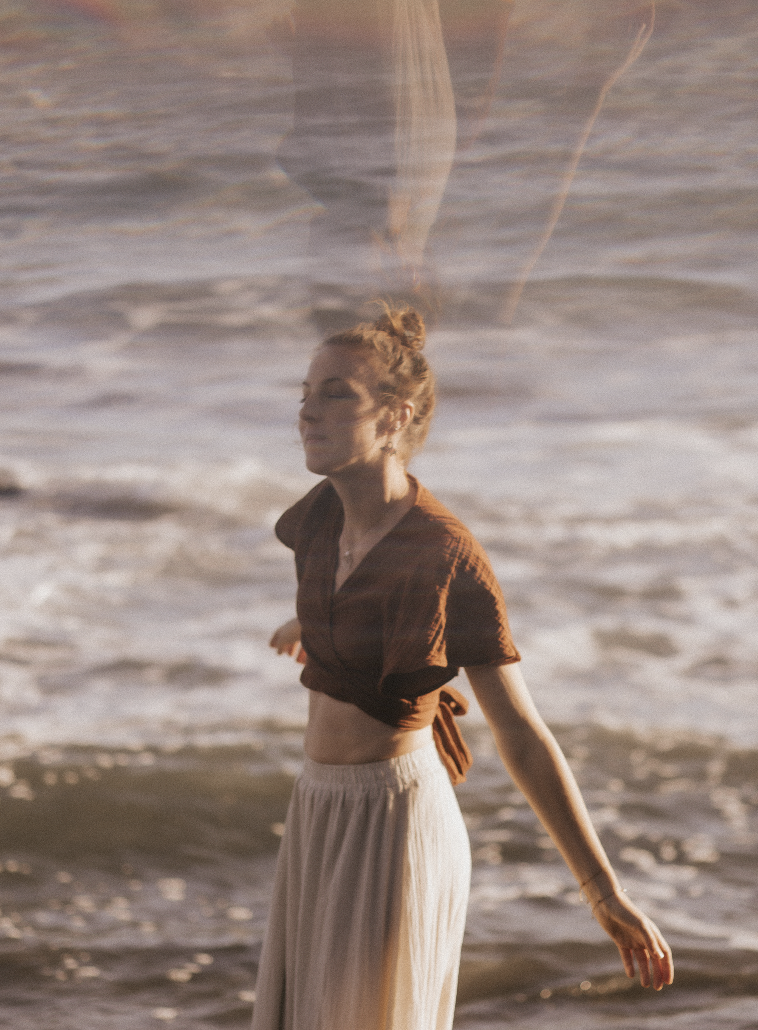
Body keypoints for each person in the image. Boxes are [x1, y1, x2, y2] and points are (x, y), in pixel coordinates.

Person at [251, 307, 673, 1030]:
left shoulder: (447, 555)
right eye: (305, 391)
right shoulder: (319, 519)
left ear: (394, 417)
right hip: (318, 809)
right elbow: (358, 602)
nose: (306, 411)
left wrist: (601, 889)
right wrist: (316, 627)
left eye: (336, 394)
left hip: (391, 821)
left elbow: (521, 732)